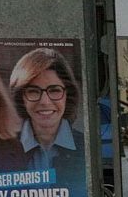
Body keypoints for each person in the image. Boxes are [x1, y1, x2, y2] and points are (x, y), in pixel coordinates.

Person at [9, 48, 84, 179]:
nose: (45, 101)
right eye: (33, 91)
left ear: (68, 94)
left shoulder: (85, 146)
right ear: (21, 97)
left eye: (54, 90)